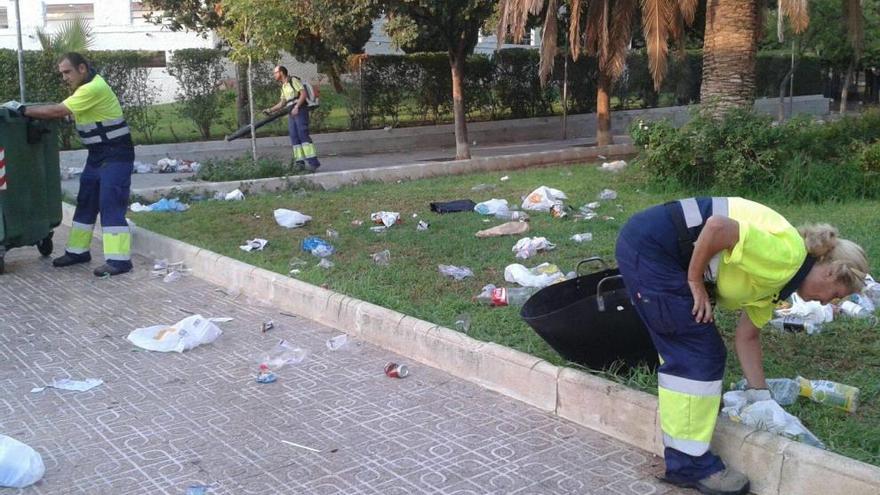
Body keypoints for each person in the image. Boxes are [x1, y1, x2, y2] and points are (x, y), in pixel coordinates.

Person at [614, 196, 869, 495]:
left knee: (692, 349)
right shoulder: (786, 257)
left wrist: (761, 398)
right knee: (697, 354)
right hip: (653, 247)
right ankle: (688, 464)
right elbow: (718, 227)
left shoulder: (779, 285)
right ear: (829, 271)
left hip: (660, 249)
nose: (827, 303)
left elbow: (747, 336)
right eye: (835, 294)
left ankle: (687, 434)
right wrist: (695, 280)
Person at [23, 52, 135, 277]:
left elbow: (57, 110)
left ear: (82, 69)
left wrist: (21, 110)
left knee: (109, 202)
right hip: (98, 155)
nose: (64, 77)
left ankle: (120, 261)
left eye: (67, 72)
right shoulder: (85, 90)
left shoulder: (93, 88)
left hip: (116, 155)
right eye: (62, 73)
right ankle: (77, 252)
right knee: (86, 201)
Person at [263, 65, 320, 172]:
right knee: (294, 137)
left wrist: (297, 107)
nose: (274, 75)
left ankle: (313, 163)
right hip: (292, 113)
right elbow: (282, 103)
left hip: (300, 110)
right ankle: (299, 164)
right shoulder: (283, 86)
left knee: (303, 135)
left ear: (281, 72)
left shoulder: (293, 80)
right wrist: (270, 110)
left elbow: (303, 94)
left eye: (275, 73)